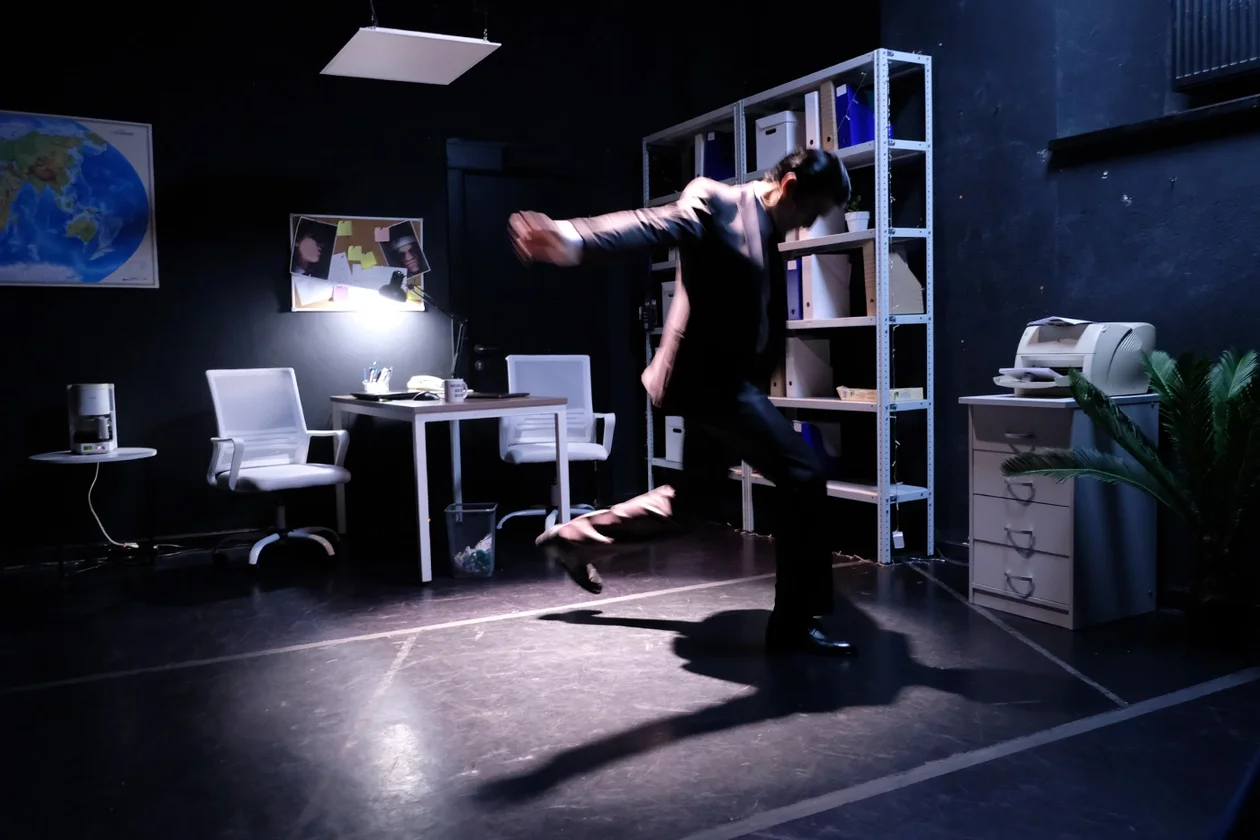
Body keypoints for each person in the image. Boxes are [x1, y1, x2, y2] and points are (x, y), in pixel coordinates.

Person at [508, 148, 855, 657]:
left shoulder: (770, 229)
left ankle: (574, 539)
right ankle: (793, 626)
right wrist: (572, 237)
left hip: (731, 386)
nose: (807, 223)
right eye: (811, 210)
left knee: (692, 503)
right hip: (713, 387)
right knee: (803, 476)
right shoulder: (716, 203)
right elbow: (652, 224)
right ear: (789, 187)